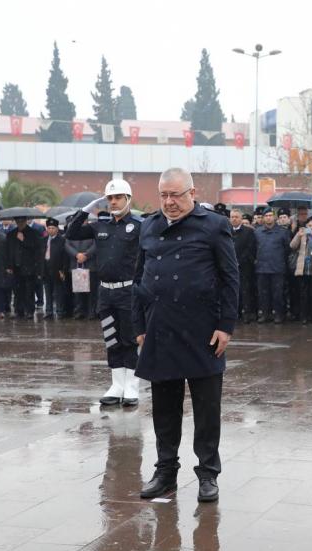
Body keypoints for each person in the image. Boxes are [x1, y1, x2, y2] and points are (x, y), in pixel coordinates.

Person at [133, 167, 238, 503]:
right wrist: (139, 327)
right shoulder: (149, 226)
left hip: (202, 332)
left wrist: (226, 326)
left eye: (176, 195)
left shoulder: (214, 226)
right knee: (165, 410)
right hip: (160, 330)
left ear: (191, 193)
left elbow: (230, 279)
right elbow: (138, 279)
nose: (169, 202)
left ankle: (208, 474)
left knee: (207, 410)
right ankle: (166, 473)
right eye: (164, 195)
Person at [67, 180, 142, 406]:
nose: (113, 202)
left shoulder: (138, 226)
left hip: (128, 291)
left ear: (128, 199)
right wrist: (85, 210)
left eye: (118, 197)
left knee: (130, 339)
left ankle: (131, 385)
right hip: (106, 293)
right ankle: (116, 384)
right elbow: (71, 232)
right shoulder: (100, 226)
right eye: (110, 198)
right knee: (111, 338)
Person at [254, 209, 290, 323]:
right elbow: (254, 248)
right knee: (263, 293)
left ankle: (279, 314)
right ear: (263, 218)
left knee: (278, 293)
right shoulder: (257, 232)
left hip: (277, 267)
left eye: (270, 215)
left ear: (274, 217)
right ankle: (265, 314)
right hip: (262, 267)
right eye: (266, 216)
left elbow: (287, 249)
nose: (268, 217)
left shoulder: (283, 232)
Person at [6, 216, 43, 319]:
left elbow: (37, 250)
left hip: (29, 267)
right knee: (17, 291)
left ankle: (29, 311)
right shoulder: (11, 234)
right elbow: (9, 251)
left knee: (29, 290)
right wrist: (9, 265)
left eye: (22, 221)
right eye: (18, 222)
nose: (20, 223)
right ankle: (19, 310)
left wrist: (23, 240)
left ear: (26, 221)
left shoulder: (34, 233)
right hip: (16, 267)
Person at [64, 215, 98, 320]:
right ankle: (79, 311)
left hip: (90, 265)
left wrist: (86, 255)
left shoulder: (92, 230)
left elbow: (96, 245)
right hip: (76, 264)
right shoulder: (72, 231)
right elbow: (67, 245)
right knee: (78, 291)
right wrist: (77, 255)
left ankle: (92, 312)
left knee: (92, 291)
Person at [230, 208, 257, 323]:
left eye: (236, 217)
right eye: (232, 217)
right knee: (232, 291)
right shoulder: (226, 231)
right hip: (229, 267)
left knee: (245, 290)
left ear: (241, 218)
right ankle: (235, 313)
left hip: (245, 266)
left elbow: (250, 248)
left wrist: (239, 260)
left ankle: (246, 313)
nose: (234, 219)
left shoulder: (248, 231)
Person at [42, 218, 68, 319]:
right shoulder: (44, 240)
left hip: (57, 270)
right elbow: (41, 256)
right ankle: (49, 311)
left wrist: (63, 270)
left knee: (58, 292)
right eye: (49, 228)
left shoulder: (62, 240)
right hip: (46, 269)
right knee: (48, 292)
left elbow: (65, 257)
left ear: (57, 229)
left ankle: (60, 311)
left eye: (53, 228)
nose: (51, 230)